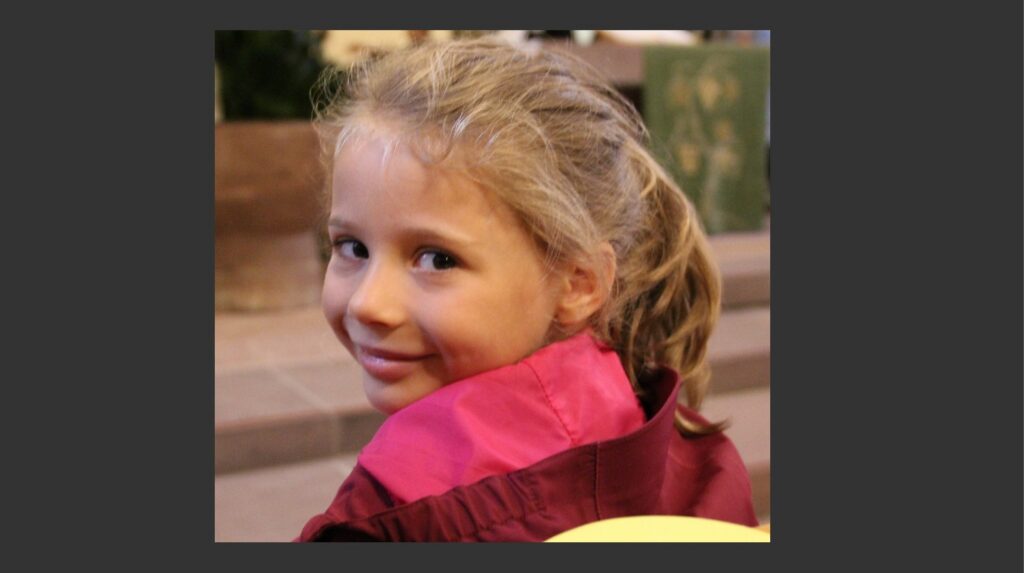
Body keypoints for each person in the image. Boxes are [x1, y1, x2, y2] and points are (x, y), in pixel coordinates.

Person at [296, 38, 757, 542]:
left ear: (579, 283)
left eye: (437, 259)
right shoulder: (698, 459)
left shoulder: (387, 520)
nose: (368, 303)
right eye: (352, 248)